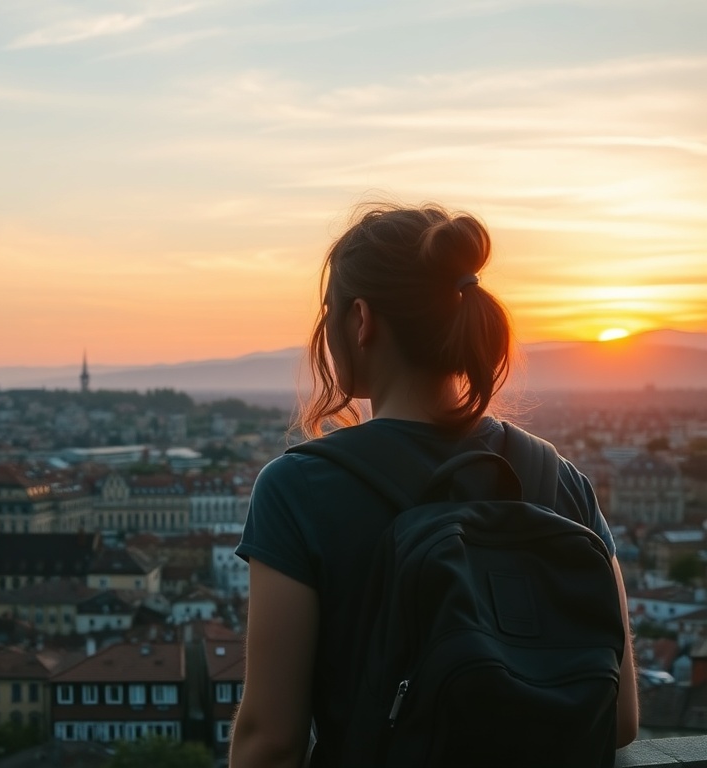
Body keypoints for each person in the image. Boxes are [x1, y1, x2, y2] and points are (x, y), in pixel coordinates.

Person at [228, 204, 638, 767]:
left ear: (361, 320)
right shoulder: (560, 479)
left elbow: (270, 742)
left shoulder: (298, 488)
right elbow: (619, 721)